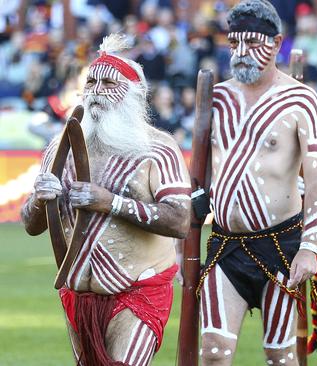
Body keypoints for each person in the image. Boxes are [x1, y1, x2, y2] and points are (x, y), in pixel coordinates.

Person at [20, 33, 192, 365]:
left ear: (133, 95)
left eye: (108, 83)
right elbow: (31, 225)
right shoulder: (61, 147)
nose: (97, 91)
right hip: (77, 294)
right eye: (91, 82)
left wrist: (112, 202)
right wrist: (41, 200)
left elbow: (180, 221)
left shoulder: (158, 149)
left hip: (138, 291)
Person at [197, 1, 317, 365]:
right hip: (226, 244)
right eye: (234, 42)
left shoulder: (300, 99)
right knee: (213, 353)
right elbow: (201, 172)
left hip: (281, 244)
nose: (242, 53)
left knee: (280, 356)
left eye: (254, 43)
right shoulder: (217, 97)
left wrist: (310, 248)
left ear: (278, 42)